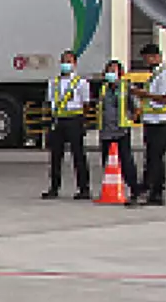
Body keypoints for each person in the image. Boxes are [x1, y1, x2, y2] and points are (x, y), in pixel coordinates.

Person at [42, 49, 91, 200]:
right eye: (63, 61)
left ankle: (83, 188)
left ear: (75, 64)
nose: (65, 64)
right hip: (58, 120)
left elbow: (86, 104)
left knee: (78, 155)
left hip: (74, 119)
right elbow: (50, 102)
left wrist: (83, 121)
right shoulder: (54, 83)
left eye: (69, 61)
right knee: (55, 156)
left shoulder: (81, 83)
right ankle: (54, 188)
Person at [135, 42, 166, 206]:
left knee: (155, 159)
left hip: (162, 122)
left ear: (157, 57)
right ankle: (153, 192)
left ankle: (154, 192)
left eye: (148, 58)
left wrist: (144, 94)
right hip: (152, 121)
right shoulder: (155, 74)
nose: (147, 62)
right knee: (152, 158)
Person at [93, 58, 141, 205]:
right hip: (106, 131)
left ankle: (134, 189)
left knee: (126, 161)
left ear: (120, 73)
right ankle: (111, 189)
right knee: (107, 162)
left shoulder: (126, 88)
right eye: (108, 70)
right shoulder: (103, 89)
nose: (110, 73)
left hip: (121, 131)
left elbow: (137, 107)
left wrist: (133, 118)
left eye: (113, 71)